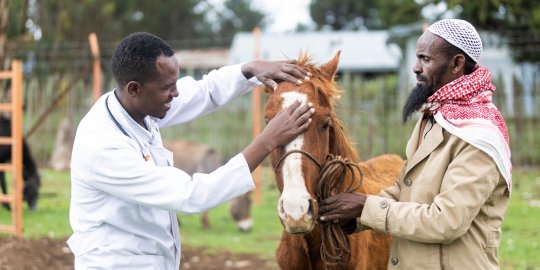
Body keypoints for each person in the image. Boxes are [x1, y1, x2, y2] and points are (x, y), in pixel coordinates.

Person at [67, 32, 315, 269]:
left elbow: (204, 91)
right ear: (134, 89)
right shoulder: (103, 146)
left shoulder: (135, 108)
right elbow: (191, 195)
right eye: (167, 87)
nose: (175, 94)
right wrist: (267, 141)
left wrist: (250, 69)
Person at [318, 19, 512, 269]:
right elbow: (405, 190)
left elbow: (446, 222)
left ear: (456, 64)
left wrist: (366, 207)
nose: (415, 68)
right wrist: (355, 218)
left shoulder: (478, 136)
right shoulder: (437, 116)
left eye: (425, 59)